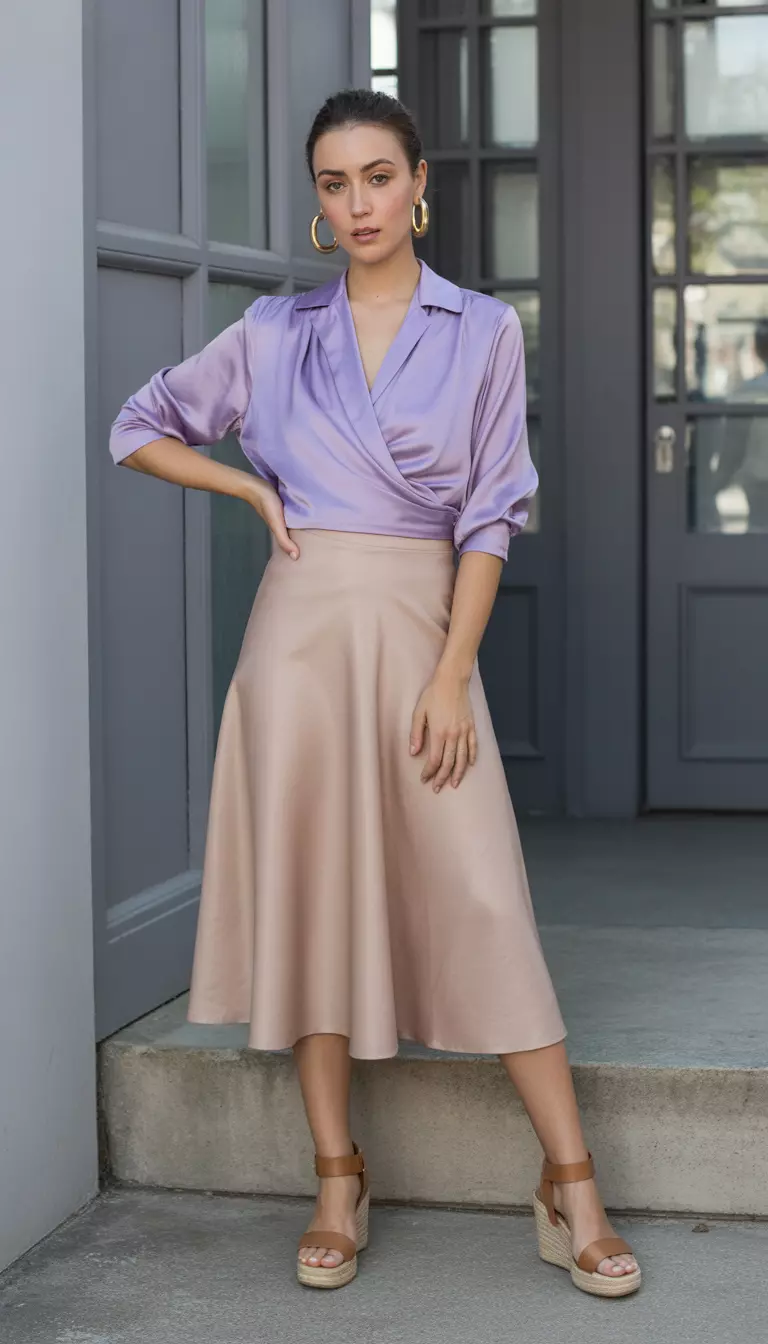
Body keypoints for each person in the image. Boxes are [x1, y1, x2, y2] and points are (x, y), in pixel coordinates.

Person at [109, 88, 640, 1298]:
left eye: (379, 178)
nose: (358, 204)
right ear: (318, 202)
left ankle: (572, 1184)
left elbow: (492, 512)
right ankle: (337, 1175)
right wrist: (250, 493)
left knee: (485, 897)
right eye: (336, 185)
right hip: (295, 650)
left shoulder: (483, 331)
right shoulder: (272, 335)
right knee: (314, 901)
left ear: (419, 187)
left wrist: (453, 674)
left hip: (420, 637)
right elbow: (139, 426)